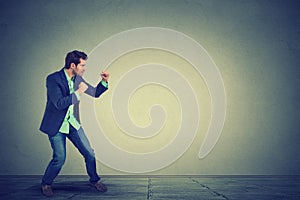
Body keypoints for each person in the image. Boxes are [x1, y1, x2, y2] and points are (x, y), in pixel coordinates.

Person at [39, 50, 109, 197]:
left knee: (89, 153)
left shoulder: (77, 79)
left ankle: (94, 180)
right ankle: (46, 184)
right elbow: (58, 103)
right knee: (59, 158)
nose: (84, 68)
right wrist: (78, 93)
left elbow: (95, 93)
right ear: (73, 65)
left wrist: (104, 81)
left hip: (72, 123)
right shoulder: (53, 79)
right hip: (56, 125)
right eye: (82, 65)